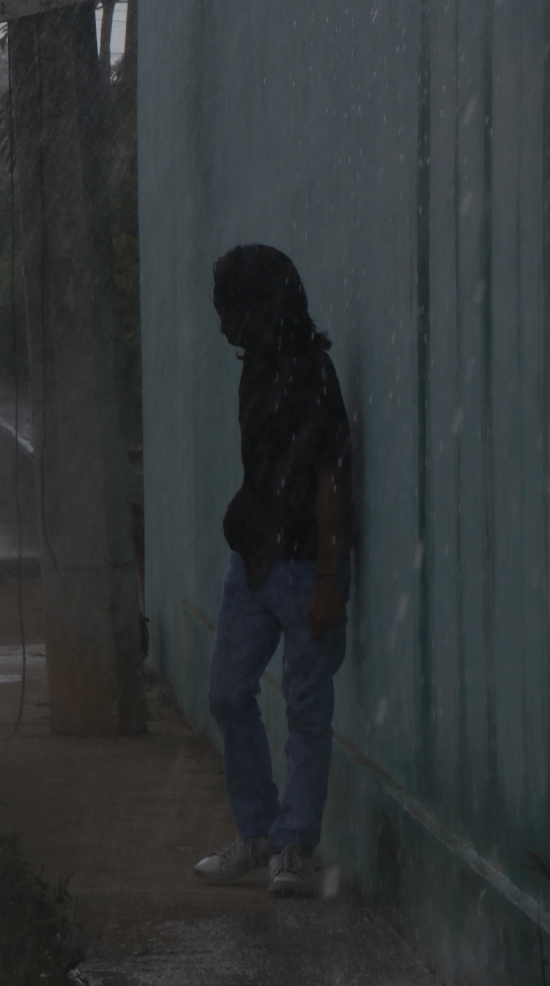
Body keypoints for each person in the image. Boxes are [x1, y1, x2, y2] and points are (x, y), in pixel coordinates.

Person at [193, 244, 351, 898]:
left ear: (261, 306)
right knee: (228, 693)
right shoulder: (255, 367)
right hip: (252, 558)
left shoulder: (313, 374)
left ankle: (293, 848)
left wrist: (325, 580)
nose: (223, 324)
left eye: (231, 309)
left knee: (307, 714)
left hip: (303, 566)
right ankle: (257, 832)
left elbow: (329, 481)